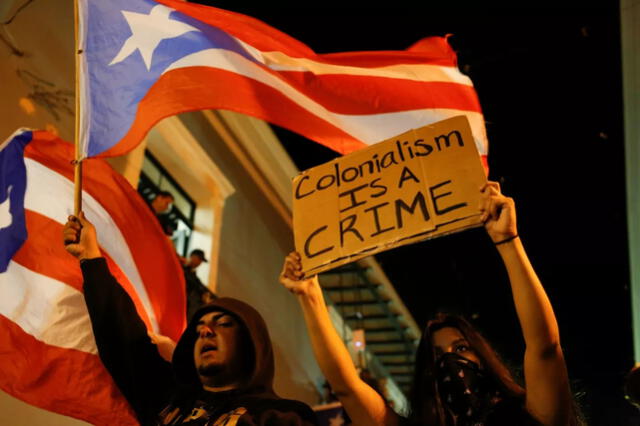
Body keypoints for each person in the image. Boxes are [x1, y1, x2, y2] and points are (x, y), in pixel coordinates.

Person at [280, 182, 581, 426]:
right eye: (436, 357)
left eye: (461, 349)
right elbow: (348, 388)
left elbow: (544, 347)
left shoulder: (531, 415)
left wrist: (508, 242)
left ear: (485, 356)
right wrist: (309, 297)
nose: (450, 363)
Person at [63, 214, 318, 426]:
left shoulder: (283, 417)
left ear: (252, 342)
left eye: (223, 323)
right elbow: (123, 336)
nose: (206, 331)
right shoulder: (169, 399)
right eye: (198, 330)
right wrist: (91, 259)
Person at [184, 249, 217, 320]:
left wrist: (211, 296)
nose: (200, 263)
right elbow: (193, 284)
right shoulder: (183, 269)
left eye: (201, 261)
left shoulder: (192, 273)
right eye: (199, 259)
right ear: (192, 257)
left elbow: (200, 285)